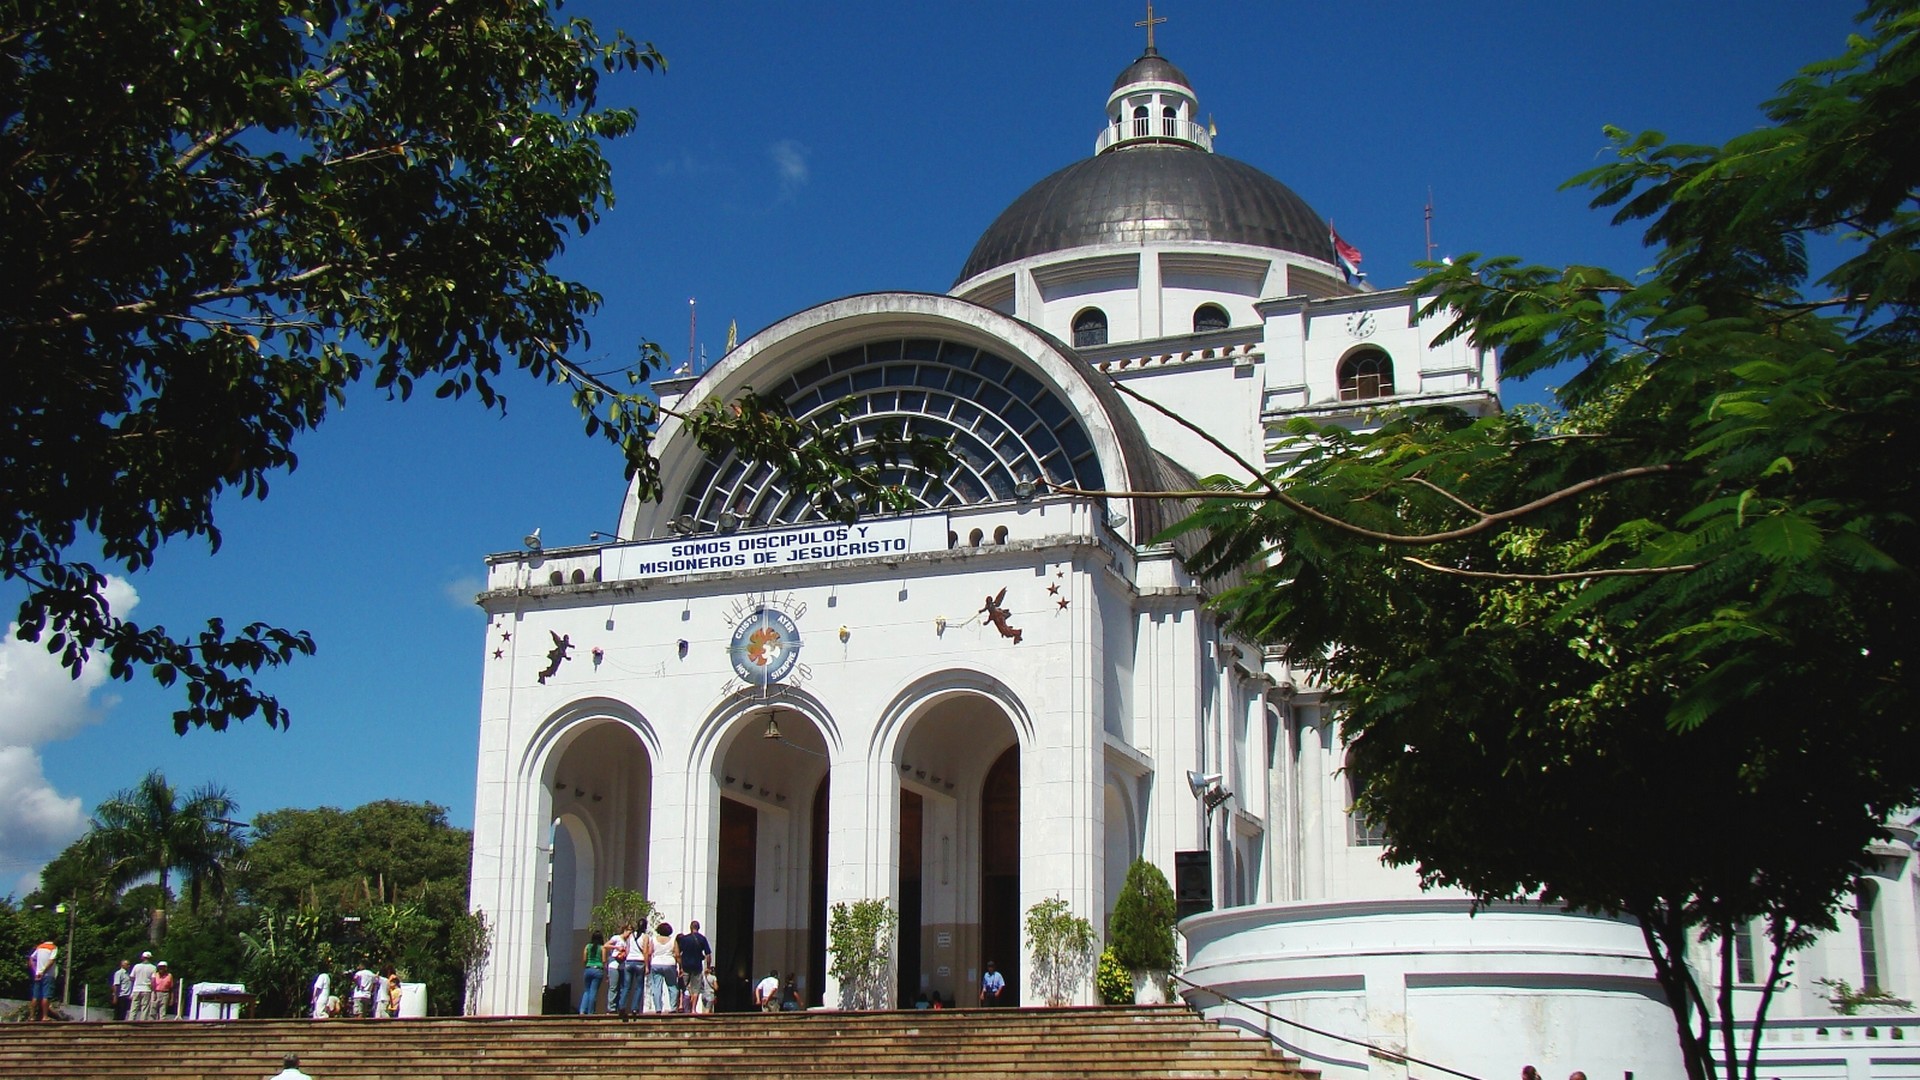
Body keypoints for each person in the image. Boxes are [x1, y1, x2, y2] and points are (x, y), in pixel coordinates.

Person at [676, 920, 712, 1013]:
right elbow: (708, 954)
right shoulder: (702, 939)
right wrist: (708, 966)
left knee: (682, 987)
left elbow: (678, 954)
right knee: (696, 989)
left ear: (690, 927)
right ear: (698, 928)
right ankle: (693, 1009)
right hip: (697, 966)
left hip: (686, 966)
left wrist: (680, 967)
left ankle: (681, 1005)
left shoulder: (684, 939)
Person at [645, 921, 679, 1014]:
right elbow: (677, 954)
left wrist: (647, 965)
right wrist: (679, 966)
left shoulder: (654, 939)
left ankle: (658, 1008)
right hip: (669, 963)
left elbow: (649, 953)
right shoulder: (673, 940)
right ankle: (673, 1007)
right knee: (672, 986)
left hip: (656, 963)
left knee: (656, 987)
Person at [28, 939, 58, 1021]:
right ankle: (45, 1016)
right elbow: (51, 961)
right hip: (48, 975)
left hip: (37, 975)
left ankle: (32, 1016)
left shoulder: (39, 947)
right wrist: (43, 971)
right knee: (46, 996)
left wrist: (35, 971)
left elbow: (31, 958)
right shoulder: (53, 947)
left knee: (35, 996)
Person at [602, 927, 628, 1014]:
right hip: (614, 964)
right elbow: (606, 945)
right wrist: (616, 947)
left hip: (622, 965)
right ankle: (611, 1007)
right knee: (613, 986)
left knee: (621, 987)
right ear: (624, 931)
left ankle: (619, 1007)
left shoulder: (627, 941)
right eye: (628, 931)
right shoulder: (616, 938)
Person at [579, 933, 605, 1015]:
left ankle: (582, 1010)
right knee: (593, 991)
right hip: (597, 969)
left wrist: (586, 966)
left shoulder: (587, 946)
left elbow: (584, 959)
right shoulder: (602, 948)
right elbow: (604, 960)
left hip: (588, 968)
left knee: (587, 990)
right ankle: (591, 1012)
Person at [129, 951, 158, 1021]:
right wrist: (154, 990)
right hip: (146, 989)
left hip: (136, 988)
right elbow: (153, 980)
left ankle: (131, 1020)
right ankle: (143, 1021)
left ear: (142, 958)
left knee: (134, 1007)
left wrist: (137, 980)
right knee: (145, 1007)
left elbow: (131, 977)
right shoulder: (153, 967)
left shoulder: (136, 966)